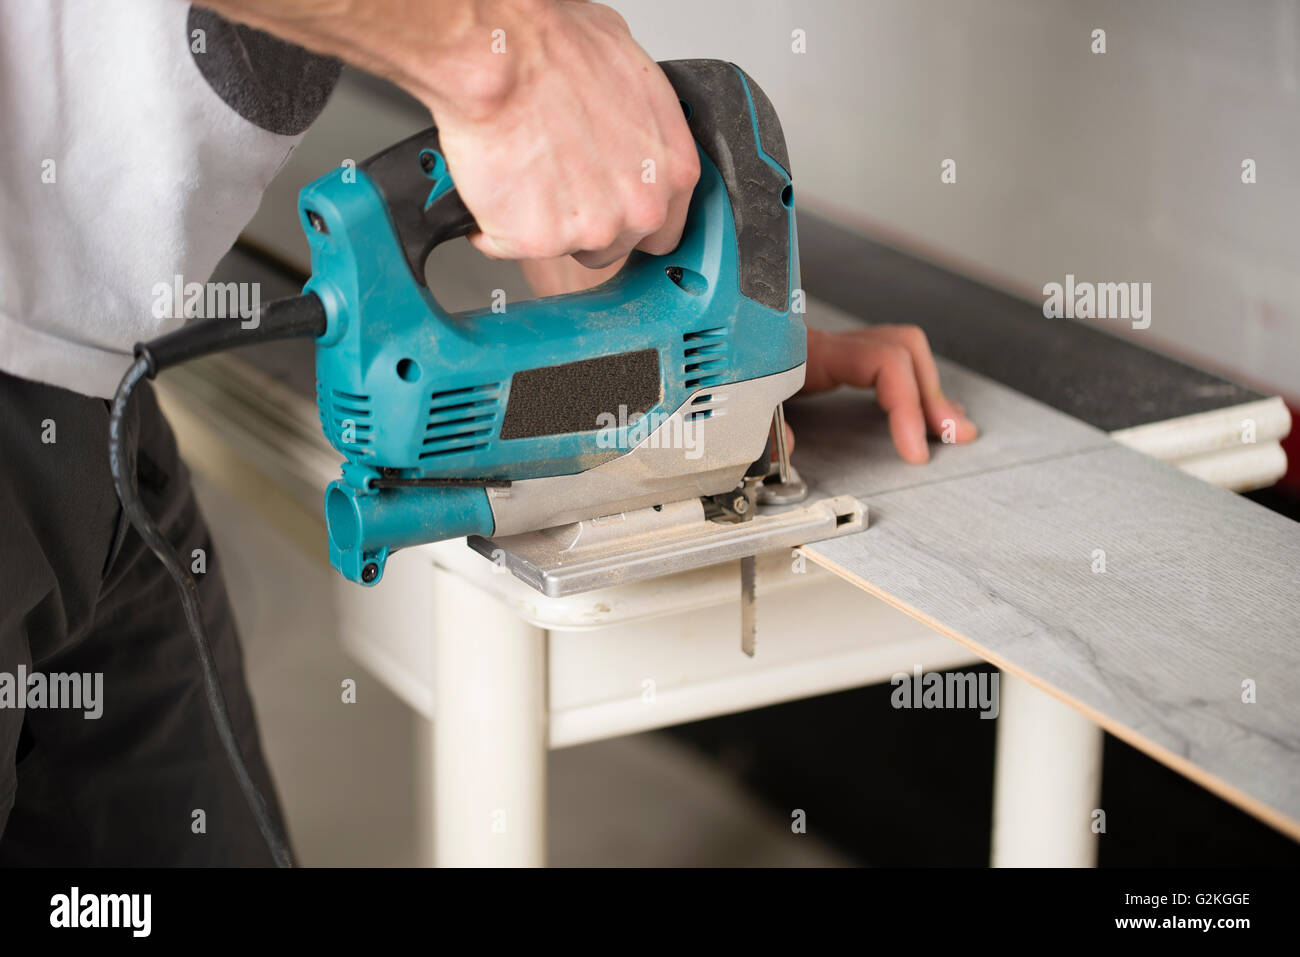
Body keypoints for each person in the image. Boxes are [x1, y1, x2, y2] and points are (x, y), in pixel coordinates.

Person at [0, 0, 976, 865]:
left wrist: (719, 360)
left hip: (93, 394)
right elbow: (506, 62)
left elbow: (562, 196)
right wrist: (504, 57)